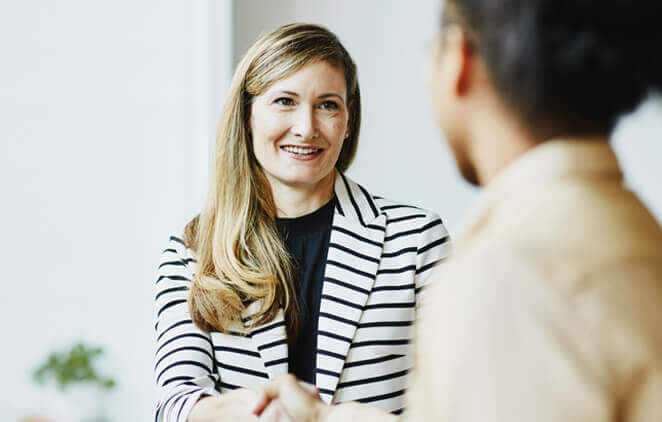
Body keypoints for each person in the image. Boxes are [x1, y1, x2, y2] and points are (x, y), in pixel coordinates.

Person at [258, 0, 662, 421]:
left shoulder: (507, 274)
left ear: (457, 58)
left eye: (328, 104)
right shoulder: (636, 233)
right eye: (284, 101)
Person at [153, 23, 450, 422]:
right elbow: (176, 405)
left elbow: (462, 397)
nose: (306, 128)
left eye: (327, 104)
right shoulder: (192, 249)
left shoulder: (416, 241)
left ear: (348, 121)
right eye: (285, 101)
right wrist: (259, 408)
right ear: (247, 117)